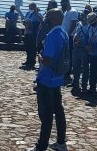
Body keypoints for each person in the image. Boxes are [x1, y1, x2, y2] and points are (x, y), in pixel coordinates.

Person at [29, 8, 68, 151]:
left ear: (54, 19)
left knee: (46, 114)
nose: (46, 19)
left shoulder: (52, 35)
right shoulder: (64, 33)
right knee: (58, 110)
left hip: (46, 78)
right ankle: (61, 142)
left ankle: (41, 146)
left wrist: (39, 57)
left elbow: (47, 59)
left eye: (48, 17)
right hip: (57, 78)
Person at [70, 8, 91, 93]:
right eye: (82, 15)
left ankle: (84, 85)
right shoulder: (79, 24)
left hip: (84, 49)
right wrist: (75, 41)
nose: (82, 16)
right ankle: (75, 83)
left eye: (84, 15)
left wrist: (81, 44)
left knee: (85, 68)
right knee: (76, 67)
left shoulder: (89, 26)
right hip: (76, 48)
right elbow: (75, 34)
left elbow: (90, 38)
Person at [61, 0, 78, 83]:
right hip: (65, 36)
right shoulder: (66, 12)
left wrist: (67, 34)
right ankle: (64, 71)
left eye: (63, 3)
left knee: (69, 55)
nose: (62, 5)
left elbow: (73, 25)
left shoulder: (73, 12)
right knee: (65, 55)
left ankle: (67, 72)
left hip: (69, 37)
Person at [21, 3, 43, 70]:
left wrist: (31, 24)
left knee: (32, 49)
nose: (30, 8)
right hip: (27, 32)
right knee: (27, 48)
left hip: (33, 33)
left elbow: (40, 22)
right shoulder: (28, 13)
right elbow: (24, 20)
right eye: (29, 7)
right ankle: (28, 61)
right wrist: (25, 23)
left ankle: (32, 62)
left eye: (31, 7)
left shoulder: (38, 14)